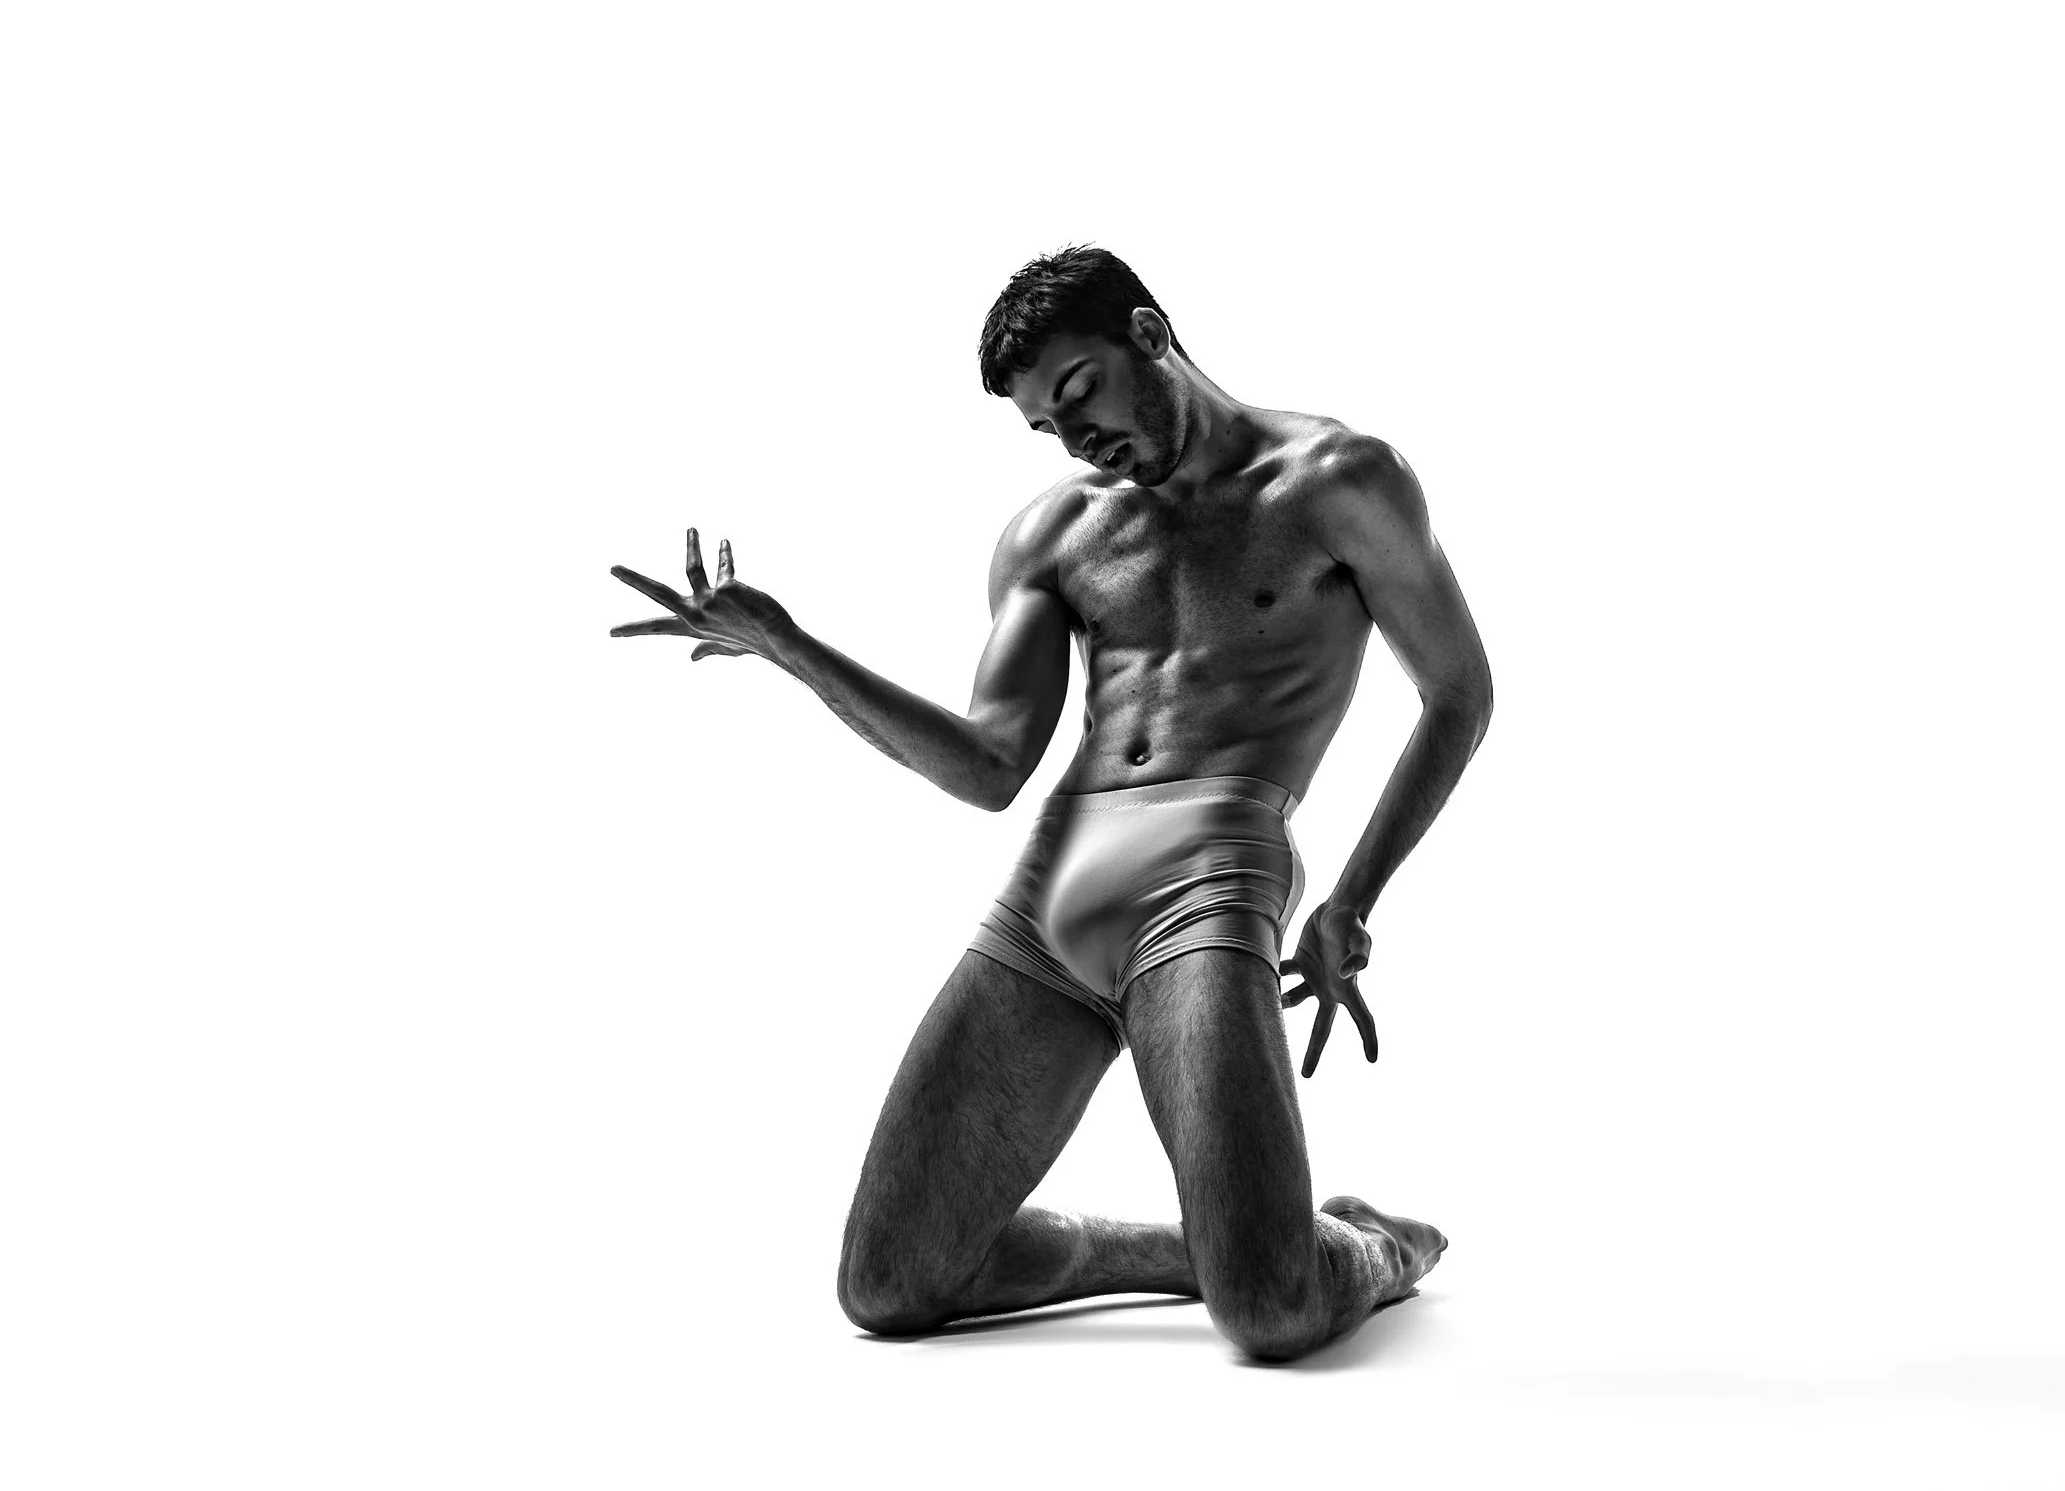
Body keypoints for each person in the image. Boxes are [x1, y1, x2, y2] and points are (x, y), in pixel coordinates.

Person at [609, 246, 1492, 1361]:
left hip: (1211, 878)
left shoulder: (1337, 481)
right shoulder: (1056, 534)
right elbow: (989, 766)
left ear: (1149, 333)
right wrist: (793, 649)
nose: (1077, 438)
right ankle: (1202, 1250)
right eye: (1046, 424)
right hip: (1052, 892)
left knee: (1273, 1312)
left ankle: (1368, 1244)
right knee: (889, 1284)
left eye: (1081, 391)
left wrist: (1352, 900)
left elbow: (1458, 693)